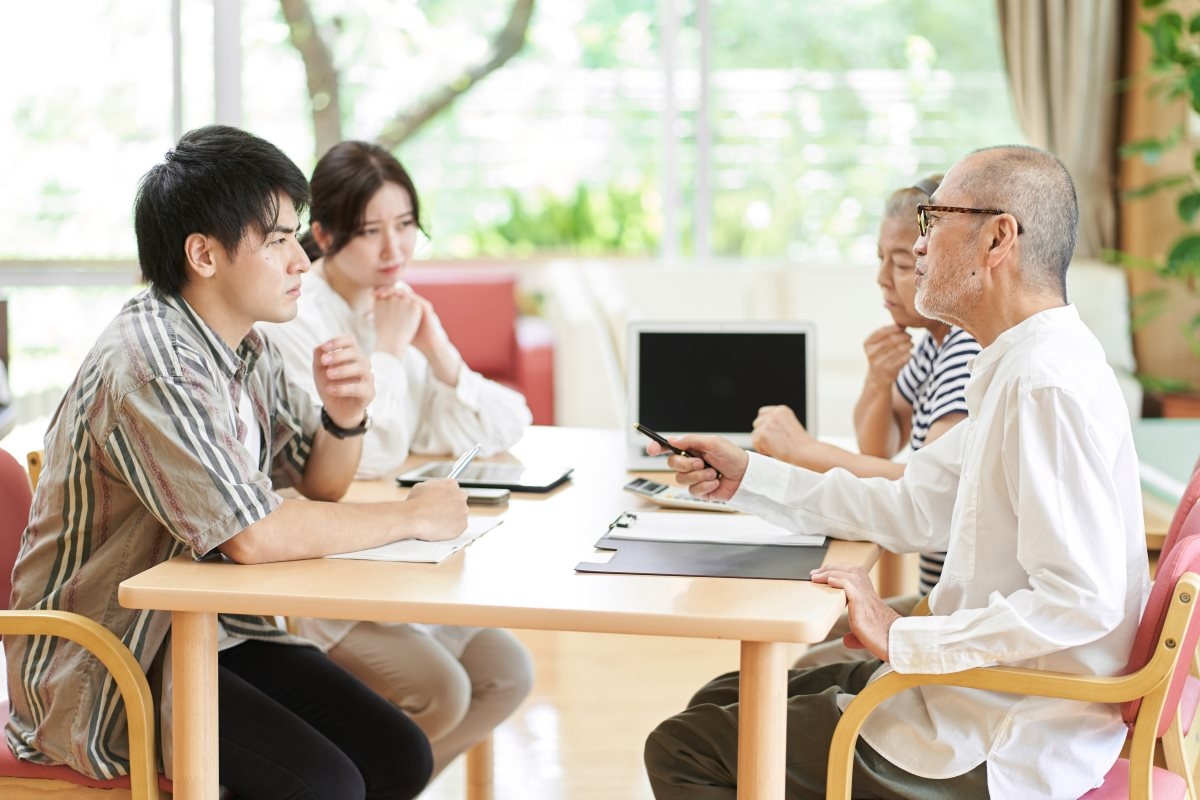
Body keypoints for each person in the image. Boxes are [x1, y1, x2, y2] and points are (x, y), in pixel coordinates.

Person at [643, 145, 1149, 799]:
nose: (920, 245)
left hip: (1004, 729)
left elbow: (1081, 599)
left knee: (687, 747)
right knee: (725, 697)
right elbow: (915, 504)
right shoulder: (1015, 362)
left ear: (998, 238)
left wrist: (905, 636)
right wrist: (748, 477)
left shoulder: (1044, 383)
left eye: (934, 220)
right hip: (971, 692)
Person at [4, 125, 472, 800]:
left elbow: (319, 483)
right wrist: (413, 517)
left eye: (296, 237)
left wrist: (345, 412)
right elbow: (253, 535)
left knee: (399, 755)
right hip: (107, 669)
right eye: (278, 239)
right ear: (203, 254)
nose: (301, 262)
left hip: (205, 636)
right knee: (325, 785)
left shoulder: (244, 346)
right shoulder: (152, 365)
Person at [260, 140, 533, 777]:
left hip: (402, 559)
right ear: (322, 234)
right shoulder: (295, 318)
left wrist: (438, 352)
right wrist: (386, 349)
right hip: (330, 572)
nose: (395, 251)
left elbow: (506, 427)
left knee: (508, 672)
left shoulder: (398, 309)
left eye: (406, 226)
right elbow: (363, 455)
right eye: (371, 232)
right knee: (442, 693)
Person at [750, 176, 981, 667]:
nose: (883, 279)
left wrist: (802, 450)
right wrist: (878, 380)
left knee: (807, 659)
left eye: (900, 263)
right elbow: (877, 447)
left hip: (952, 616)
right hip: (937, 600)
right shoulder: (933, 345)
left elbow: (920, 489)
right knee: (809, 650)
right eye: (881, 260)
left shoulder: (964, 350)